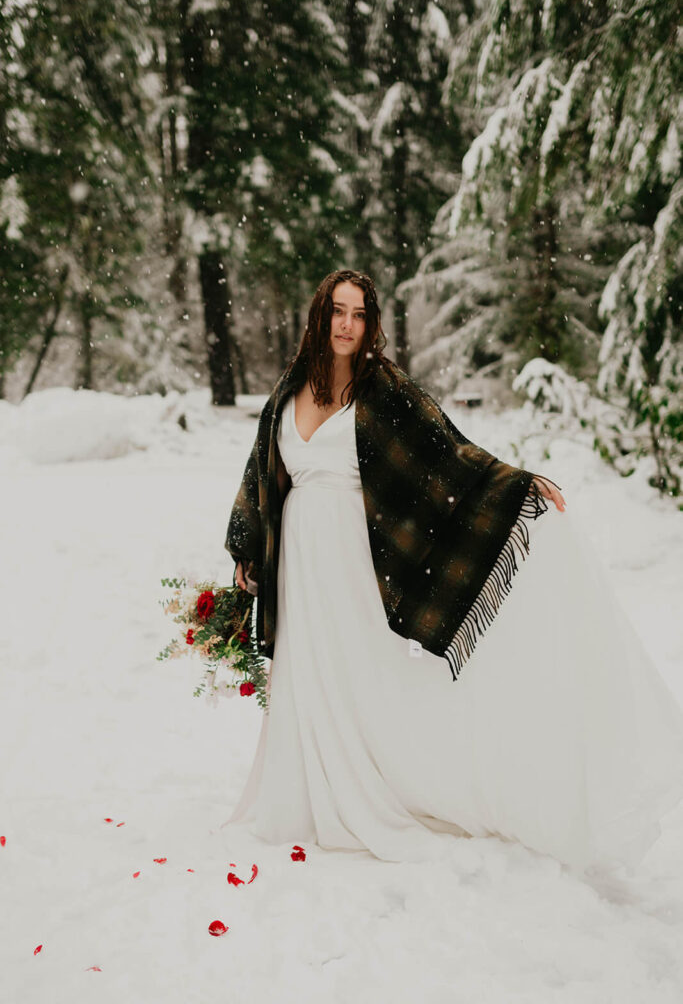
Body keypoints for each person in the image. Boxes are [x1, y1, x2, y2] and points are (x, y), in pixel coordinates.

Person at [221, 268, 683, 874]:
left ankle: (392, 781)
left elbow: (448, 450)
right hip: (300, 559)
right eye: (338, 310)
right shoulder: (289, 389)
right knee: (305, 667)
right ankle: (302, 790)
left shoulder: (382, 387)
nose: (347, 324)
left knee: (360, 673)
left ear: (371, 323)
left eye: (359, 314)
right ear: (319, 314)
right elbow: (262, 473)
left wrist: (514, 484)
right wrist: (247, 550)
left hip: (353, 557)